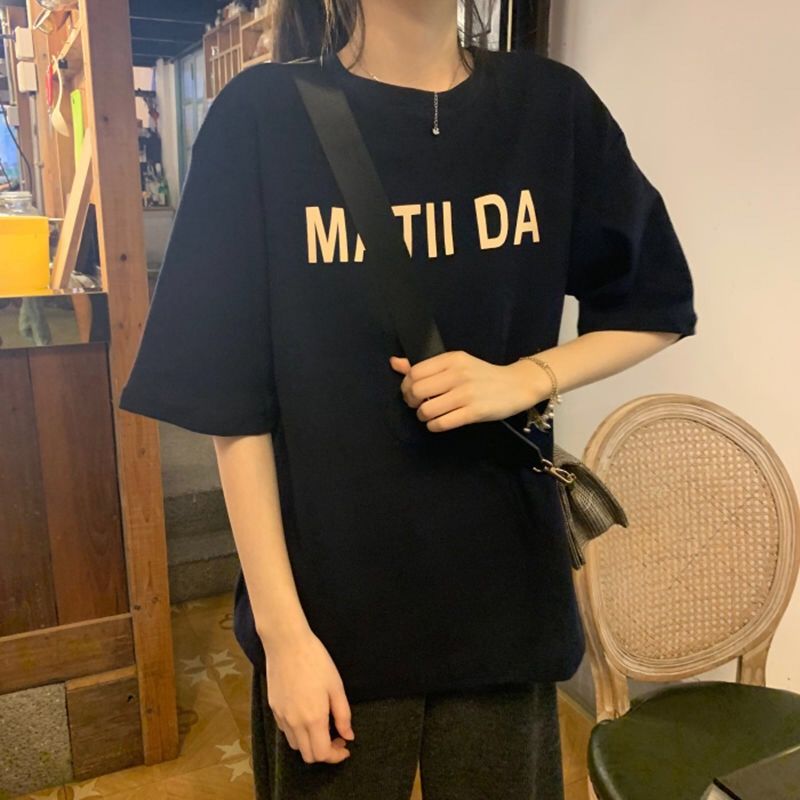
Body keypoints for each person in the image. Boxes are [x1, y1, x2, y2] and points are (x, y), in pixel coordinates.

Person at [118, 1, 698, 797]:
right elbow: (233, 407)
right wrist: (284, 638)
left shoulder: (550, 109)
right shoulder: (261, 119)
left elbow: (656, 304)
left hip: (503, 599)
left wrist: (528, 376)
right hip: (331, 614)